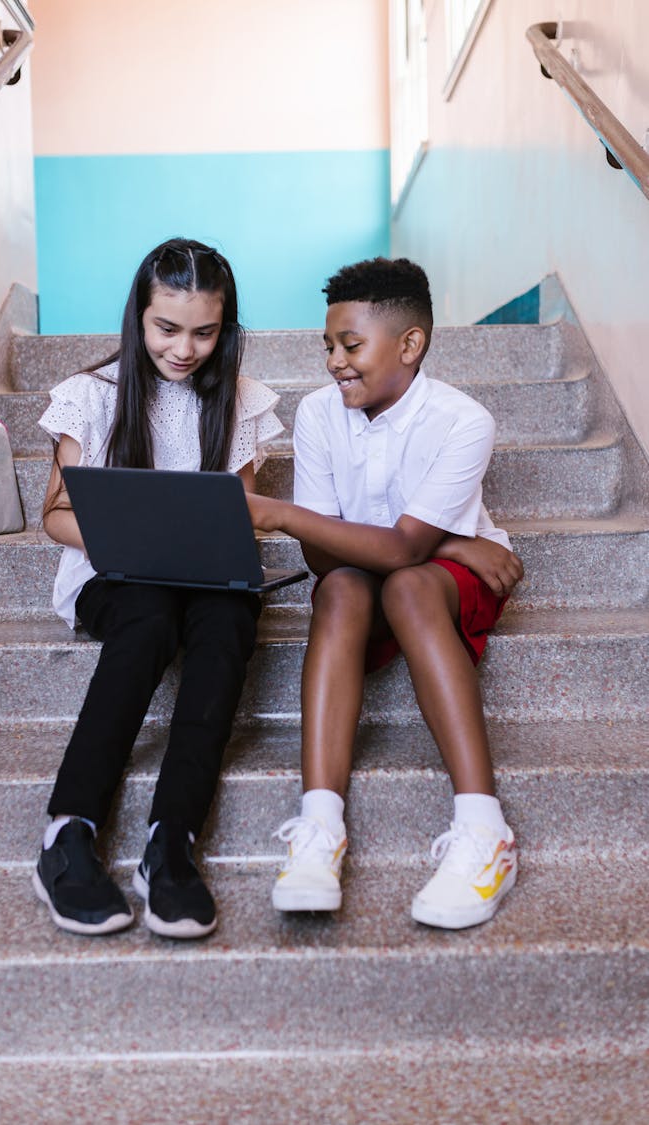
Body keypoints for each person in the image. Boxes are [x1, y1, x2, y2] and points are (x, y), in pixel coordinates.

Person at [246, 256, 524, 930]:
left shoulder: (464, 420)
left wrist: (280, 512)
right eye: (328, 346)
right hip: (379, 570)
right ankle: (319, 829)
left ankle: (486, 831)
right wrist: (449, 538)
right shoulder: (317, 413)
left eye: (351, 345)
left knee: (407, 585)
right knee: (339, 592)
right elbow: (321, 554)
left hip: (441, 588)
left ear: (410, 344)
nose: (335, 361)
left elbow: (399, 553)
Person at [32, 238, 283, 939]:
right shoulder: (92, 395)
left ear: (225, 328)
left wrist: (203, 542)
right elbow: (55, 513)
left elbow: (242, 515)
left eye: (205, 332)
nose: (184, 348)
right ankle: (68, 831)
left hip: (201, 575)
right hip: (110, 575)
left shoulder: (238, 399)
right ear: (138, 318)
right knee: (147, 613)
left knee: (230, 612)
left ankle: (172, 840)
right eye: (166, 328)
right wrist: (129, 542)